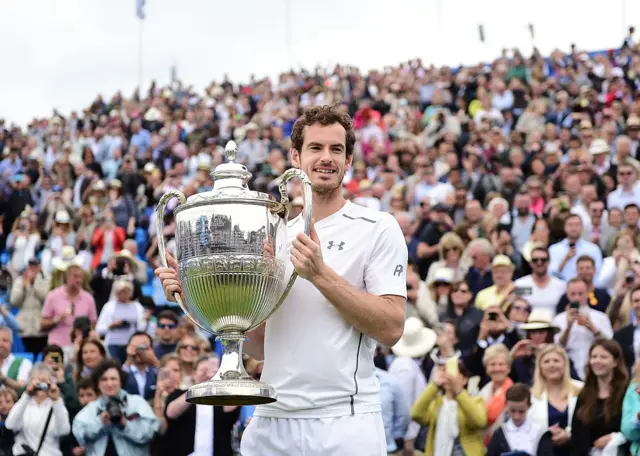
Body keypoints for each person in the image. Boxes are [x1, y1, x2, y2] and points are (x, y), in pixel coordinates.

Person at [156, 105, 408, 455]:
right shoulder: (274, 237)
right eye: (316, 148)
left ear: (348, 159)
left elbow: (391, 328)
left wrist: (320, 275)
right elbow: (260, 344)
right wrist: (199, 301)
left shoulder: (377, 228)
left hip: (344, 421)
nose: (326, 158)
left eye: (336, 149)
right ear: (296, 156)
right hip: (272, 422)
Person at [71, 358, 159, 456]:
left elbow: (149, 433)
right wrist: (101, 425)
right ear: (97, 384)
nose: (109, 384)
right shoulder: (89, 411)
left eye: (113, 379)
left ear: (121, 381)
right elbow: (81, 435)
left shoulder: (137, 403)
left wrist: (124, 424)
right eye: (104, 379)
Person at [162, 355, 240, 456]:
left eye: (212, 371)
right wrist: (198, 387)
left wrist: (218, 381)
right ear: (194, 374)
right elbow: (171, 413)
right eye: (203, 370)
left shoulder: (223, 398)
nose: (207, 375)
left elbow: (230, 411)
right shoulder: (180, 394)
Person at [570, 339, 629, 455]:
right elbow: (576, 434)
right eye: (594, 357)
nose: (597, 361)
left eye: (603, 357)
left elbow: (634, 428)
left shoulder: (627, 392)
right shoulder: (584, 395)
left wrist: (615, 437)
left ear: (615, 362)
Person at [5, 363, 70, 456]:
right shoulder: (24, 403)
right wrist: (26, 395)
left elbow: (64, 430)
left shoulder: (56, 405)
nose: (40, 384)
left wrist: (56, 400)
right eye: (36, 380)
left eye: (44, 380)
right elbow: (10, 425)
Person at [486, 383, 553, 456]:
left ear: (529, 406)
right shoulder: (499, 433)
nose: (516, 416)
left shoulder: (540, 432)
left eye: (521, 411)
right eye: (512, 411)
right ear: (506, 405)